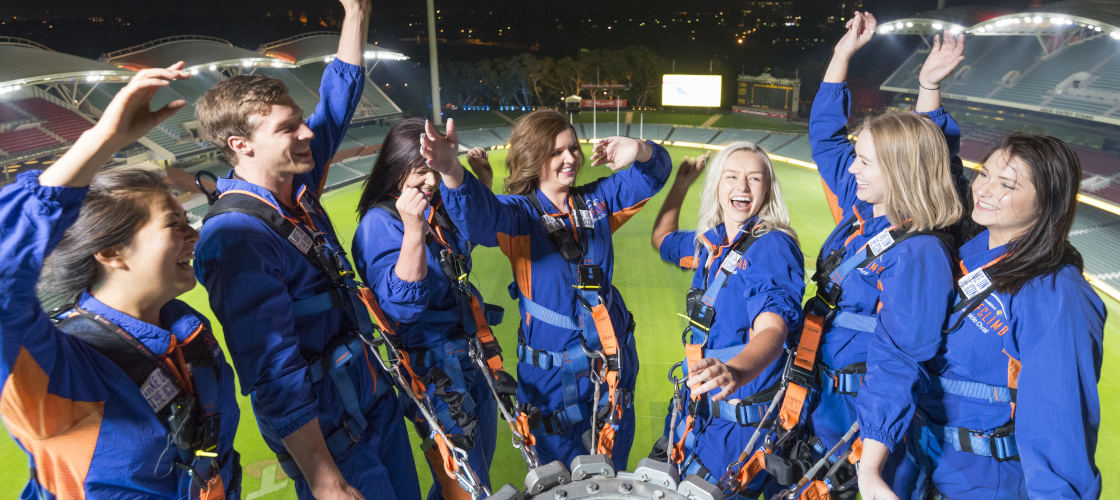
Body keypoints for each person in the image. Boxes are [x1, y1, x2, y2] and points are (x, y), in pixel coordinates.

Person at [192, 1, 420, 498]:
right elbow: (272, 373)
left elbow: (337, 101)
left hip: (370, 402)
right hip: (334, 438)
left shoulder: (297, 186)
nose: (307, 134)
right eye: (288, 129)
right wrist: (323, 477)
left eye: (299, 120)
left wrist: (356, 14)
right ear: (240, 144)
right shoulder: (236, 237)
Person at [0, 64, 240, 499]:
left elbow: (217, 460)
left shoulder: (189, 335)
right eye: (174, 225)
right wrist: (100, 142)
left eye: (190, 221)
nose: (194, 236)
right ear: (111, 253)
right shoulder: (59, 370)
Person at [880, 80, 1105, 500]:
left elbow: (1061, 430)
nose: (983, 190)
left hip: (985, 485)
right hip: (922, 471)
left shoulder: (1056, 294)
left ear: (1048, 204)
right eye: (985, 173)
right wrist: (929, 86)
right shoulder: (969, 252)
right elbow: (935, 165)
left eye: (1008, 185)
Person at [419, 110, 671, 469]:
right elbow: (480, 218)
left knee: (614, 478)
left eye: (572, 149)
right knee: (563, 482)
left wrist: (641, 149)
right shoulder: (519, 215)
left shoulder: (597, 201)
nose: (570, 159)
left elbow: (655, 174)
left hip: (613, 373)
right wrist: (452, 172)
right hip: (555, 383)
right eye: (556, 153)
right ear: (533, 159)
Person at [797, 12, 964, 498]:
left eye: (865, 160)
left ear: (901, 172)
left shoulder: (918, 253)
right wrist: (841, 54)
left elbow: (899, 361)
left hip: (867, 428)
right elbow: (827, 140)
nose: (852, 167)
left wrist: (870, 464)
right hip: (824, 405)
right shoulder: (866, 209)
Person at [351, 118, 499, 499]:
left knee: (472, 471)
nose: (431, 182)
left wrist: (482, 183)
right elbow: (402, 306)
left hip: (469, 356)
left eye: (434, 169)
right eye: (421, 171)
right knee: (471, 484)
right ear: (396, 169)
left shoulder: (432, 212)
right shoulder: (380, 224)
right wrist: (413, 230)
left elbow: (463, 247)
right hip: (435, 370)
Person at [650, 143, 805, 497]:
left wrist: (736, 371)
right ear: (717, 185)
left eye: (755, 179)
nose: (743, 187)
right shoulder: (713, 243)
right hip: (704, 413)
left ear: (767, 190)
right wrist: (681, 184)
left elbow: (773, 328)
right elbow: (662, 240)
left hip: (737, 425)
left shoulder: (772, 245)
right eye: (731, 177)